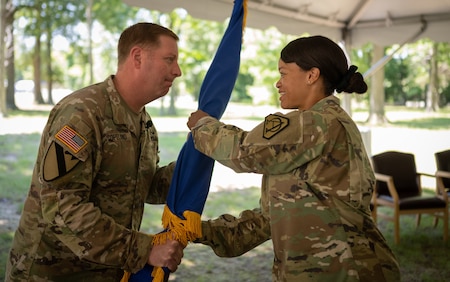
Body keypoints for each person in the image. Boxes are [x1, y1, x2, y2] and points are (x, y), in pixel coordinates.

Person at [187, 35, 400, 281]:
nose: (278, 83)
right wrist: (201, 231)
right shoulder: (319, 124)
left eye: (284, 73)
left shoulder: (318, 122)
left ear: (312, 75)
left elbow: (243, 152)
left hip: (348, 270)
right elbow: (272, 216)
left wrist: (202, 125)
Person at [6, 22, 184, 281]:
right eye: (169, 59)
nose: (177, 71)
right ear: (137, 57)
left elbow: (140, 187)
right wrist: (143, 249)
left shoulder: (143, 123)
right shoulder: (83, 113)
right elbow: (62, 206)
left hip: (104, 271)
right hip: (52, 272)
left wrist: (194, 165)